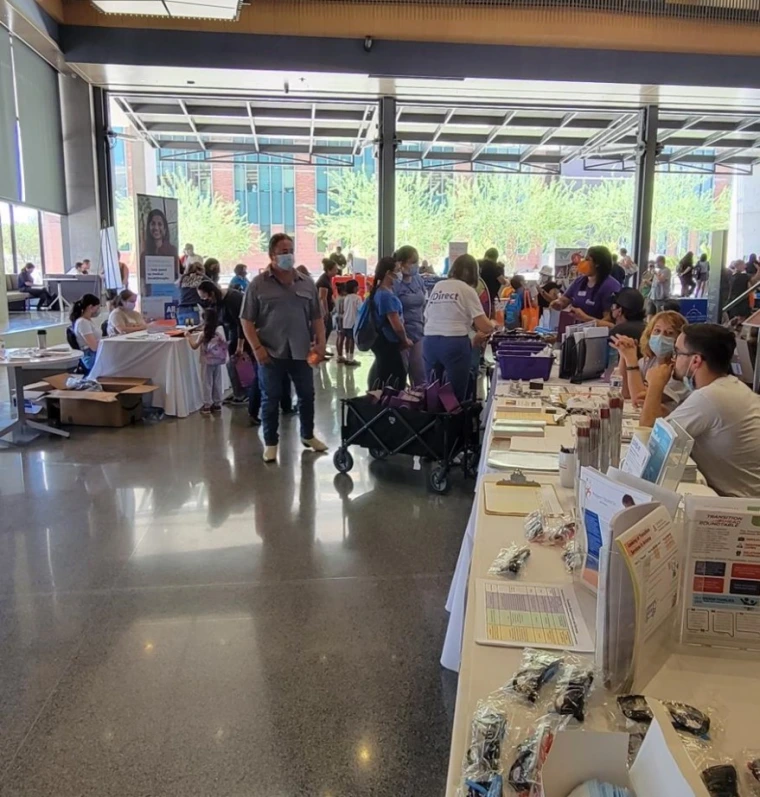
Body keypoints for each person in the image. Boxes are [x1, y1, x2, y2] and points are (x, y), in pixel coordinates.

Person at [640, 323, 760, 497]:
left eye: (677, 353)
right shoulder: (728, 387)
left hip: (737, 505)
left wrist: (655, 385)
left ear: (695, 360)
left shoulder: (710, 397)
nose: (673, 359)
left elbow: (650, 440)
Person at [241, 232, 327, 463]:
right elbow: (246, 320)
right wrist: (257, 348)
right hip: (271, 352)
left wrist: (321, 343)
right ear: (272, 255)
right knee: (271, 398)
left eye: (291, 251)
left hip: (302, 351)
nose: (288, 255)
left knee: (307, 394)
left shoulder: (306, 283)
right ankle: (271, 443)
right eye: (283, 252)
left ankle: (308, 435)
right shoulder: (258, 285)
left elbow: (317, 317)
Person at [423, 254, 496, 401]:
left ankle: (433, 416)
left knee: (432, 393)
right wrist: (493, 324)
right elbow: (484, 325)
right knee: (454, 397)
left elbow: (427, 315)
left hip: (429, 342)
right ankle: (454, 416)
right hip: (454, 344)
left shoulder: (438, 286)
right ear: (475, 273)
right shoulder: (467, 290)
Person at [611, 309, 688, 414]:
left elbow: (640, 399)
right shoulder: (649, 361)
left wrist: (631, 360)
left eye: (669, 333)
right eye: (657, 331)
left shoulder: (680, 371)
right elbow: (625, 393)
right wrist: (624, 355)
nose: (661, 337)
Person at [366, 257, 411, 388]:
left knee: (382, 371)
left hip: (382, 340)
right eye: (397, 270)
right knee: (395, 377)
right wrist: (405, 340)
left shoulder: (379, 291)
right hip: (388, 341)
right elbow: (396, 325)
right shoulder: (386, 296)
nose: (400, 273)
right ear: (388, 273)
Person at [551, 245, 621, 323]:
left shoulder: (610, 286)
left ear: (597, 263)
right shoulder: (579, 281)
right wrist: (558, 303)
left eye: (587, 260)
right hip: (577, 329)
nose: (583, 262)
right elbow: (565, 300)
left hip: (598, 330)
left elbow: (609, 321)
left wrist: (586, 318)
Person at [393, 244, 426, 386]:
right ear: (401, 263)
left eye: (417, 262)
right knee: (400, 375)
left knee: (420, 375)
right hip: (401, 335)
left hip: (419, 332)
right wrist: (402, 337)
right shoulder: (395, 282)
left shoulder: (418, 279)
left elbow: (423, 302)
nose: (415, 265)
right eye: (412, 262)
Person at [186, 307, 228, 415]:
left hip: (207, 362)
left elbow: (194, 346)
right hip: (218, 360)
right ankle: (217, 403)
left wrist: (189, 337)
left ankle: (207, 405)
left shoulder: (204, 334)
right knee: (217, 382)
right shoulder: (219, 333)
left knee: (207, 383)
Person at [70, 293, 102, 373]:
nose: (98, 310)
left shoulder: (88, 321)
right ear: (91, 307)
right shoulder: (82, 322)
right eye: (97, 307)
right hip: (91, 356)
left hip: (95, 353)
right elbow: (94, 347)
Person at [316, 258, 339, 355]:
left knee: (328, 329)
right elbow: (322, 298)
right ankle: (320, 350)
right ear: (329, 270)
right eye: (334, 269)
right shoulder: (323, 281)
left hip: (327, 309)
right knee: (326, 329)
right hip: (322, 310)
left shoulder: (327, 279)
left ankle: (322, 349)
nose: (336, 271)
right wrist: (325, 312)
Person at [341, 279, 361, 366]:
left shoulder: (346, 297)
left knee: (347, 339)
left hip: (345, 322)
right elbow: (360, 309)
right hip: (353, 321)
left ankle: (347, 357)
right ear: (354, 288)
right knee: (352, 340)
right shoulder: (357, 298)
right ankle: (351, 359)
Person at [335, 282, 347, 363]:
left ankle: (339, 355)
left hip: (337, 317)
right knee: (341, 337)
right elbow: (343, 310)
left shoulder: (337, 297)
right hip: (342, 318)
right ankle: (340, 356)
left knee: (339, 336)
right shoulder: (343, 299)